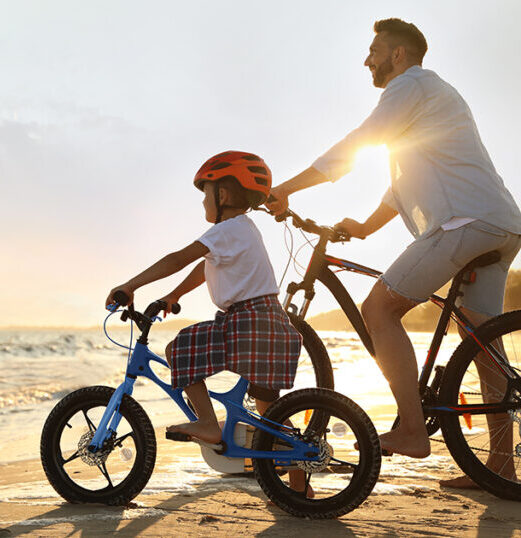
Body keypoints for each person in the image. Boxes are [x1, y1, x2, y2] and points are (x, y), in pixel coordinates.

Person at [266, 18, 521, 488]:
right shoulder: (429, 100)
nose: (368, 60)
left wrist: (284, 189)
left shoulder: (411, 85)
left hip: (463, 223)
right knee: (484, 346)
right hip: (501, 223)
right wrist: (363, 227)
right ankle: (500, 468)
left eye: (375, 51)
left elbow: (353, 147)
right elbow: (401, 186)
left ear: (398, 55)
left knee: (379, 308)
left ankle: (410, 429)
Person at [106, 151, 308, 491]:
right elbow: (205, 267)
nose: (202, 203)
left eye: (205, 194)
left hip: (247, 320)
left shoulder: (228, 229)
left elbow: (178, 258)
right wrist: (175, 295)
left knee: (179, 348)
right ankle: (301, 489)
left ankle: (208, 424)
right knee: (271, 414)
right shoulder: (242, 230)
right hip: (266, 320)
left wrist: (131, 285)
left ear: (223, 195)